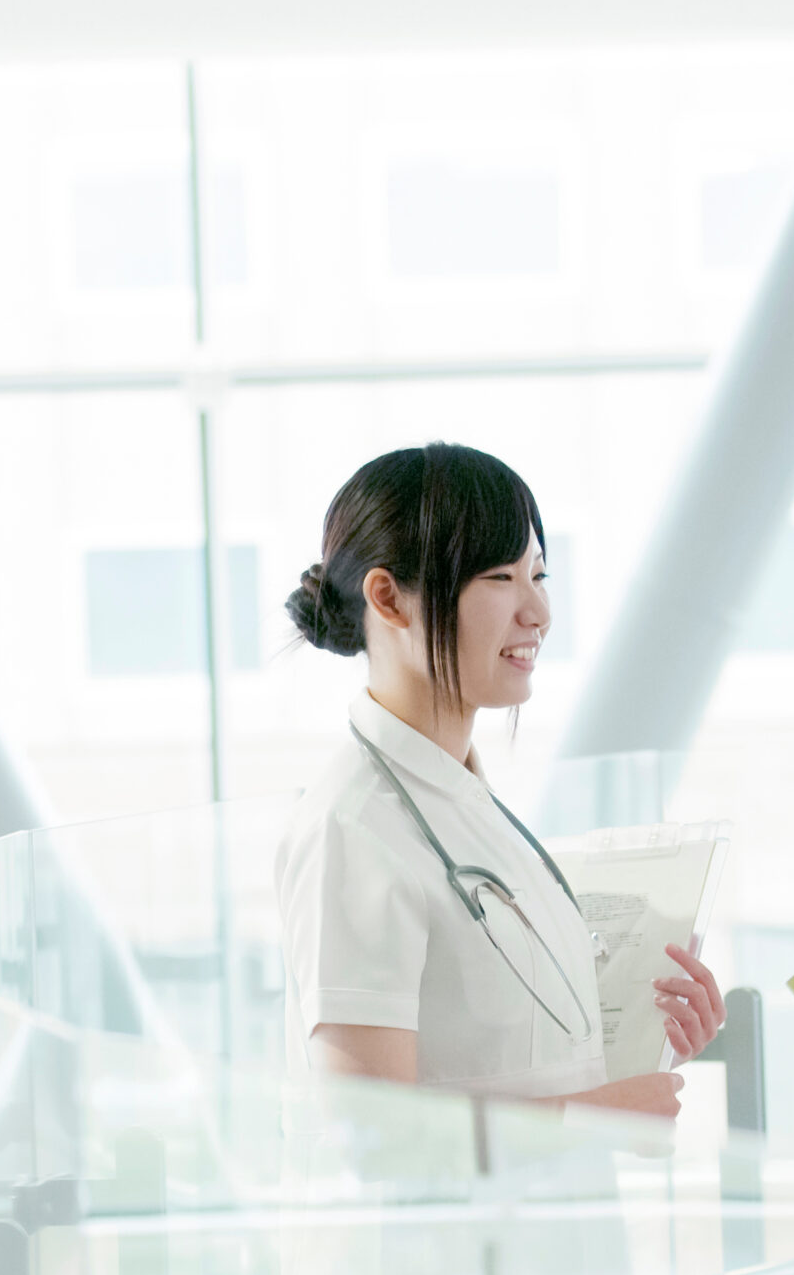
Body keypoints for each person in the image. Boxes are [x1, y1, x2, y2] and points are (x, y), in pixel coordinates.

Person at [277, 441, 723, 1109]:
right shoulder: (354, 827)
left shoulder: (472, 810)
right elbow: (370, 1135)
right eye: (499, 579)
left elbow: (513, 1056)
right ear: (388, 599)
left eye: (538, 575)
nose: (537, 612)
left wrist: (646, 1036)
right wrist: (596, 1117)